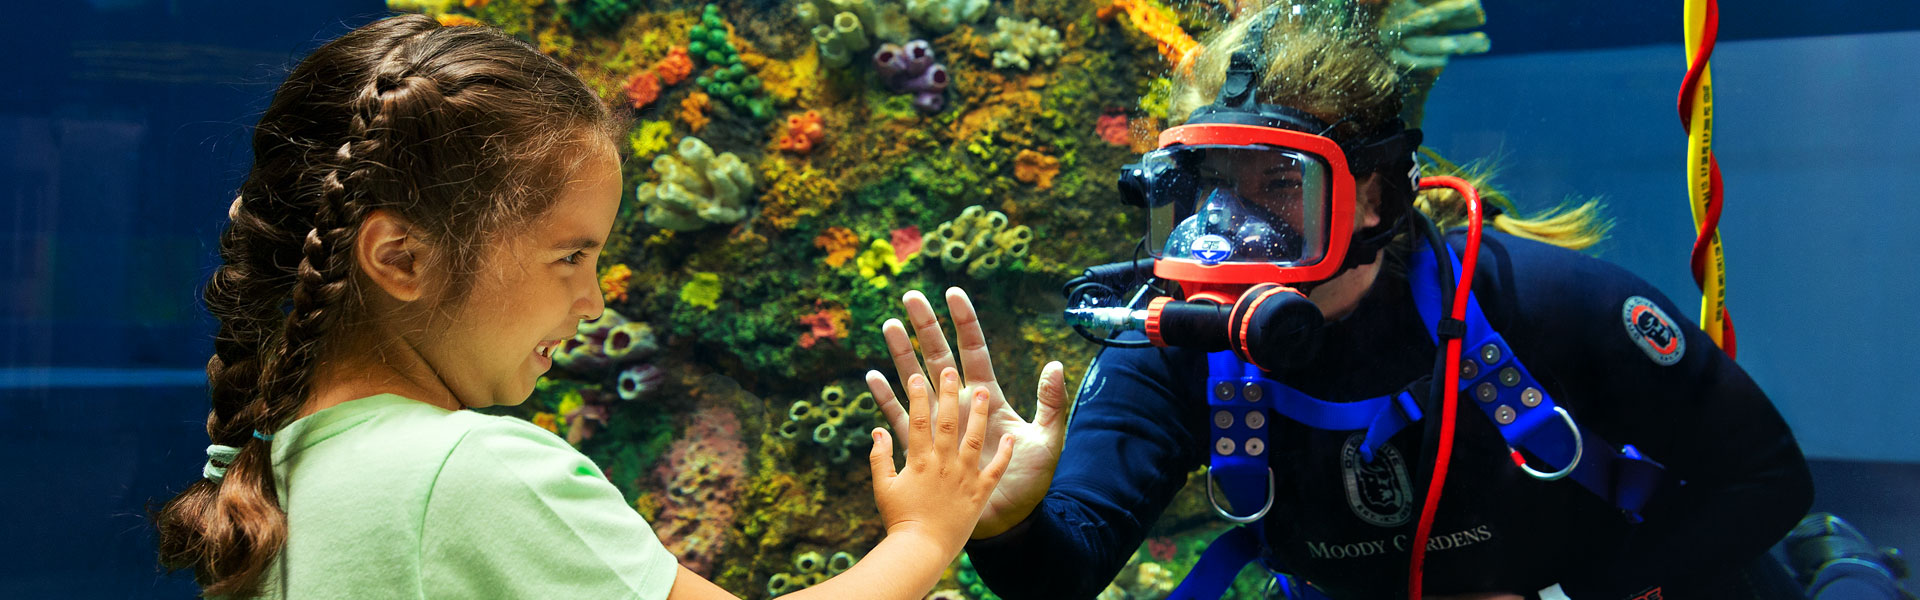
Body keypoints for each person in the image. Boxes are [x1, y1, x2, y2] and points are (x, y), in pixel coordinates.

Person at [867, 5, 1814, 599]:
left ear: (1373, 193)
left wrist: (1588, 590)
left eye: (1278, 184)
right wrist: (1007, 524)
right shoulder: (1178, 349)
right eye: (1205, 185)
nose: (1232, 228)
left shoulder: (1543, 303)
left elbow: (1768, 480)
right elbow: (1061, 576)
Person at [151, 16, 1014, 599]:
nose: (593, 300)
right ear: (400, 258)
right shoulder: (472, 472)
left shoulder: (279, 467)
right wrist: (927, 535)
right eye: (570, 256)